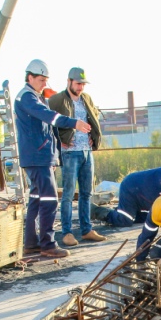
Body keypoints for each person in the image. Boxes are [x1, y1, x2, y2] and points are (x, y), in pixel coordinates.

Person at [15, 59, 91, 259]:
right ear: (30, 77)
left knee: (36, 200)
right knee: (49, 201)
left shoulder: (35, 97)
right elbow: (50, 118)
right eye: (41, 80)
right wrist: (74, 122)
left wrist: (55, 155)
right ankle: (47, 244)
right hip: (38, 157)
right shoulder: (28, 98)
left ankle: (31, 243)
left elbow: (49, 127)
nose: (44, 84)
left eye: (46, 80)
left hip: (40, 157)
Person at [49, 67, 105, 248]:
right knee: (68, 193)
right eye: (78, 83)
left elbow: (93, 119)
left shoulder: (86, 99)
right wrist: (59, 142)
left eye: (83, 84)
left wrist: (93, 137)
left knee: (87, 193)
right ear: (69, 82)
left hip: (86, 151)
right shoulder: (57, 100)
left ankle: (86, 229)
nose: (81, 87)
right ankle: (66, 233)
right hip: (69, 153)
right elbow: (48, 123)